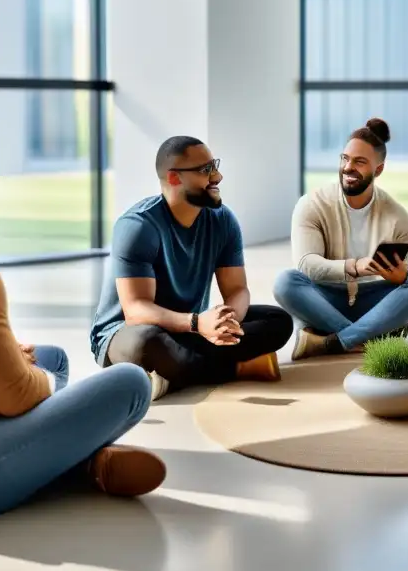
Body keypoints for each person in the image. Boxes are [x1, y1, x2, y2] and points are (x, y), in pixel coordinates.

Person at [0, 111, 164, 530]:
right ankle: (83, 463)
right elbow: (17, 398)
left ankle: (70, 457)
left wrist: (17, 366)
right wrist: (27, 375)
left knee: (51, 356)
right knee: (129, 383)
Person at [90, 136, 293, 400]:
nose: (218, 176)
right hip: (127, 334)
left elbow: (237, 289)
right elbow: (135, 311)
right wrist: (198, 323)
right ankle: (238, 366)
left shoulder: (223, 221)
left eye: (214, 165)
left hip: (190, 331)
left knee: (278, 321)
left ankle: (171, 375)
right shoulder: (138, 226)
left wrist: (226, 322)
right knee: (147, 342)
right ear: (175, 178)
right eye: (205, 170)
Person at [273, 118, 408, 360]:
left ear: (378, 170)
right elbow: (307, 265)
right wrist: (354, 267)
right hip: (326, 299)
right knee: (285, 282)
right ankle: (372, 337)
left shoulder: (397, 216)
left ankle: (335, 341)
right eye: (345, 158)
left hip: (374, 300)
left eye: (360, 162)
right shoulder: (312, 204)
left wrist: (399, 275)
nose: (348, 167)